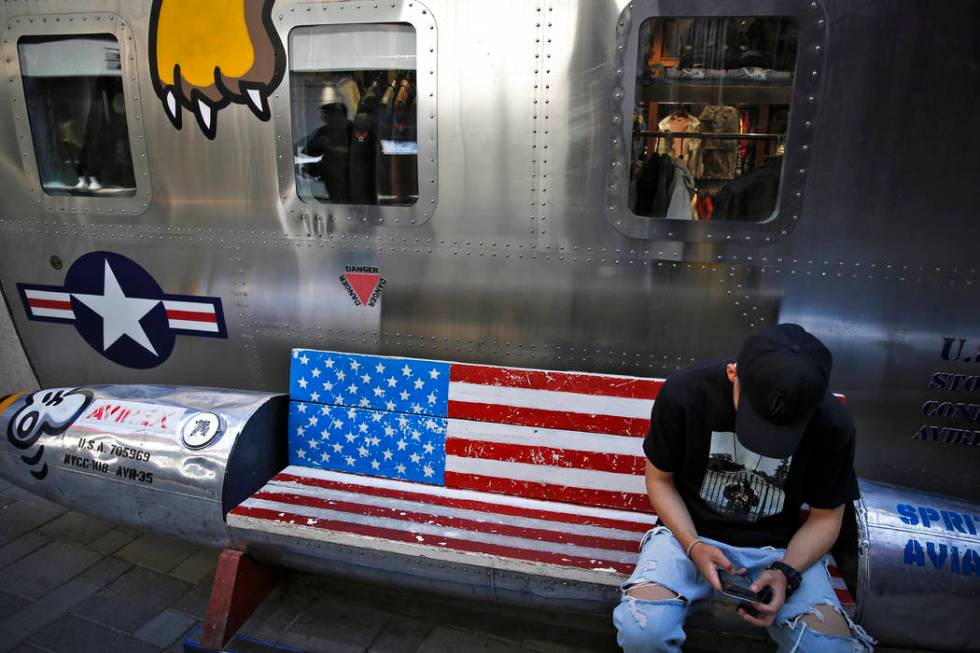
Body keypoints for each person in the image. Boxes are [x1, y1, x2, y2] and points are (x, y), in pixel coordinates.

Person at [614, 323, 875, 652]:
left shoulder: (832, 423)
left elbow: (826, 517)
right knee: (643, 631)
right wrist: (693, 546)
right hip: (687, 534)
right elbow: (660, 479)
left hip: (781, 549)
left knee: (830, 648)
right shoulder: (687, 391)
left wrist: (786, 572)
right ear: (733, 373)